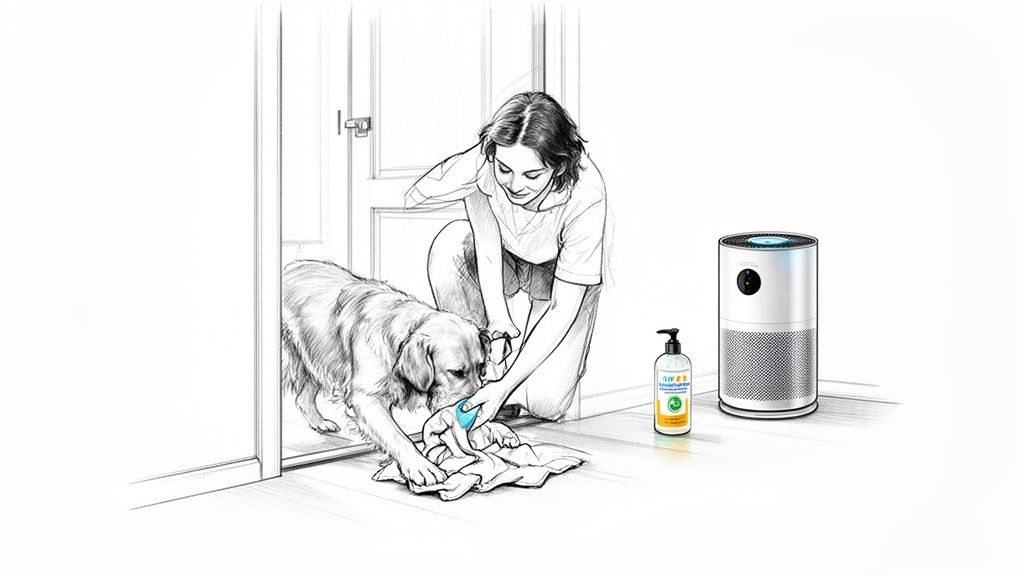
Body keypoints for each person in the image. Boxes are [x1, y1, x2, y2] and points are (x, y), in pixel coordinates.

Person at [405, 91, 607, 426]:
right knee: (450, 245)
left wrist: (505, 387)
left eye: (532, 175)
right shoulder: (480, 166)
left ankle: (502, 386)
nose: (514, 185)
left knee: (546, 404)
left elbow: (562, 308)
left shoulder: (586, 195)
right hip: (505, 257)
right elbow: (486, 247)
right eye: (504, 170)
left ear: (557, 168)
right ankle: (478, 368)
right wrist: (497, 322)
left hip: (559, 274)